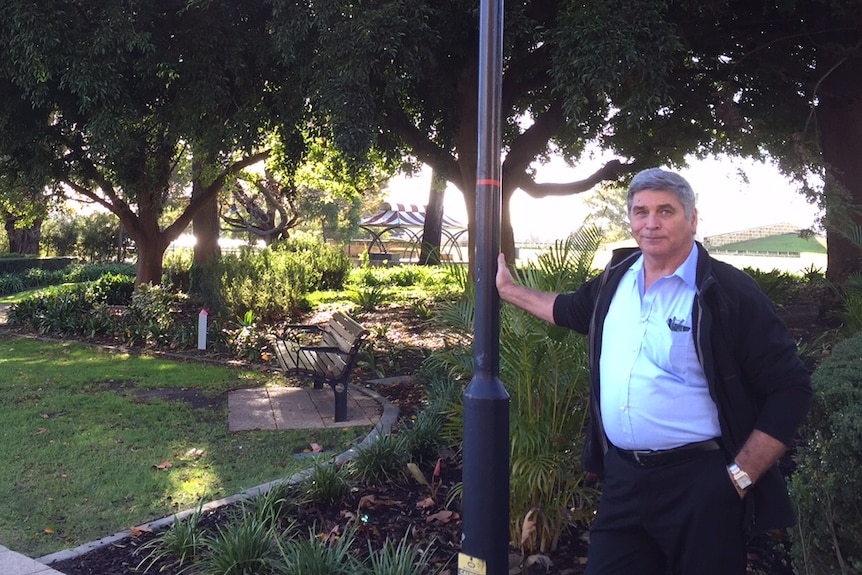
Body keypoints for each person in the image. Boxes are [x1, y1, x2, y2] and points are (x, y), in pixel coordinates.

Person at [496, 168, 812, 575]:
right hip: (624, 482)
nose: (651, 222)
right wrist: (509, 291)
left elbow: (791, 389)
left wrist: (740, 476)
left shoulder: (727, 292)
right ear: (630, 219)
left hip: (702, 487)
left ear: (692, 219)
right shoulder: (615, 280)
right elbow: (570, 309)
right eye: (641, 211)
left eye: (666, 211)